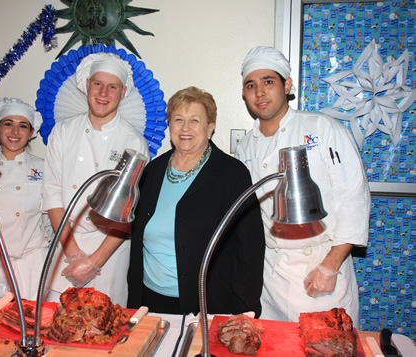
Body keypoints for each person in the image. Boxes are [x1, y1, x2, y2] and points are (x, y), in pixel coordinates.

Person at [235, 46, 371, 327]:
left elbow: (354, 197)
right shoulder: (244, 147)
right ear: (244, 94)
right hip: (271, 276)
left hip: (320, 268)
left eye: (268, 82)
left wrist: (330, 265)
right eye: (251, 85)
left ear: (287, 85)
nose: (260, 92)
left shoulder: (322, 128)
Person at [127, 86, 265, 315]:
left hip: (207, 304)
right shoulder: (151, 172)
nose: (185, 128)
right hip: (148, 301)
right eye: (178, 119)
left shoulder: (232, 175)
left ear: (210, 128)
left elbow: (250, 249)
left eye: (195, 121)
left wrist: (246, 311)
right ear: (169, 125)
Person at [42, 52, 150, 306]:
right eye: (98, 84)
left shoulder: (133, 142)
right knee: (57, 329)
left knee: (104, 332)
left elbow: (128, 215)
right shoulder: (62, 132)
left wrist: (93, 262)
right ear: (87, 85)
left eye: (112, 86)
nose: (103, 93)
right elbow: (52, 194)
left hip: (108, 256)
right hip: (66, 244)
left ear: (123, 92)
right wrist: (74, 253)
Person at [0, 97, 51, 300]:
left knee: (31, 326)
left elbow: (50, 216)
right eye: (8, 124)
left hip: (30, 264)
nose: (15, 132)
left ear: (31, 132)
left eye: (23, 126)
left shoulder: (43, 167)